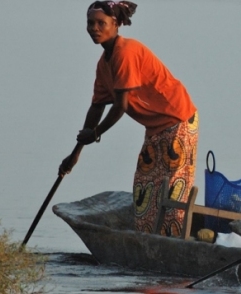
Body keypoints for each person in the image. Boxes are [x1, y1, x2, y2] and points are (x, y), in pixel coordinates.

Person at [59, 0, 199, 237]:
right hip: (155, 127)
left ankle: (172, 240)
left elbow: (120, 107)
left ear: (115, 25)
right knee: (144, 188)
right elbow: (96, 108)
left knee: (172, 189)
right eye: (90, 23)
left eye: (101, 23)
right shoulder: (104, 64)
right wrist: (75, 155)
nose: (94, 28)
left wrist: (94, 135)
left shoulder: (126, 52)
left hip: (178, 120)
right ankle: (150, 240)